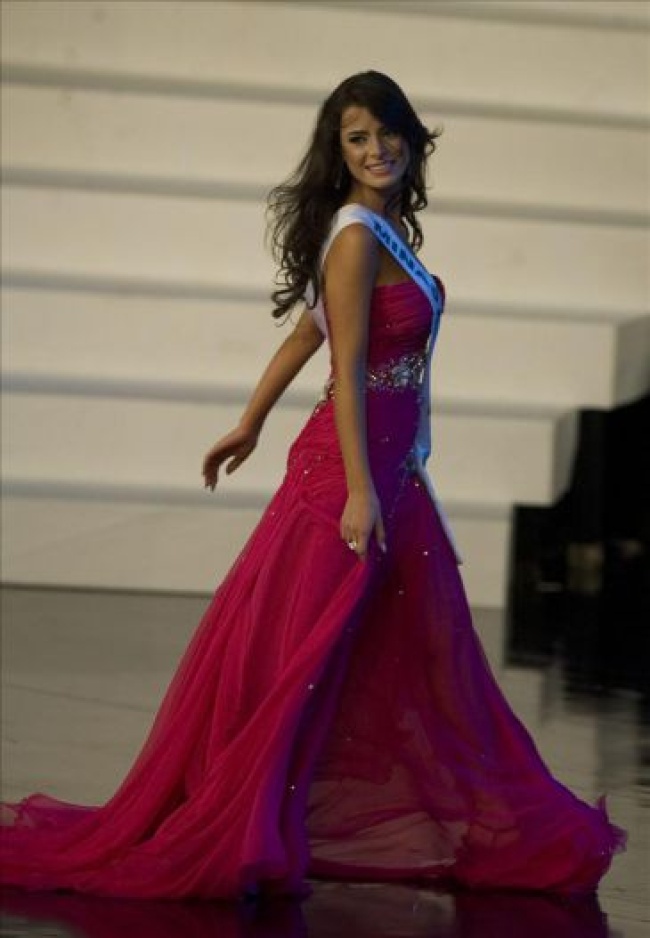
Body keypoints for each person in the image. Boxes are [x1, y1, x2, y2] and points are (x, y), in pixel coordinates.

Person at [0, 71, 626, 901]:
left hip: (391, 470)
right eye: (357, 137)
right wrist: (360, 491)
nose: (377, 149)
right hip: (349, 475)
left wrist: (250, 421)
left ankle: (302, 820)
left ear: (411, 138)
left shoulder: (383, 229)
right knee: (300, 658)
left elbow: (305, 331)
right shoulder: (356, 237)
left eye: (388, 131)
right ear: (338, 152)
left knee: (400, 654)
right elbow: (347, 368)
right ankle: (244, 827)